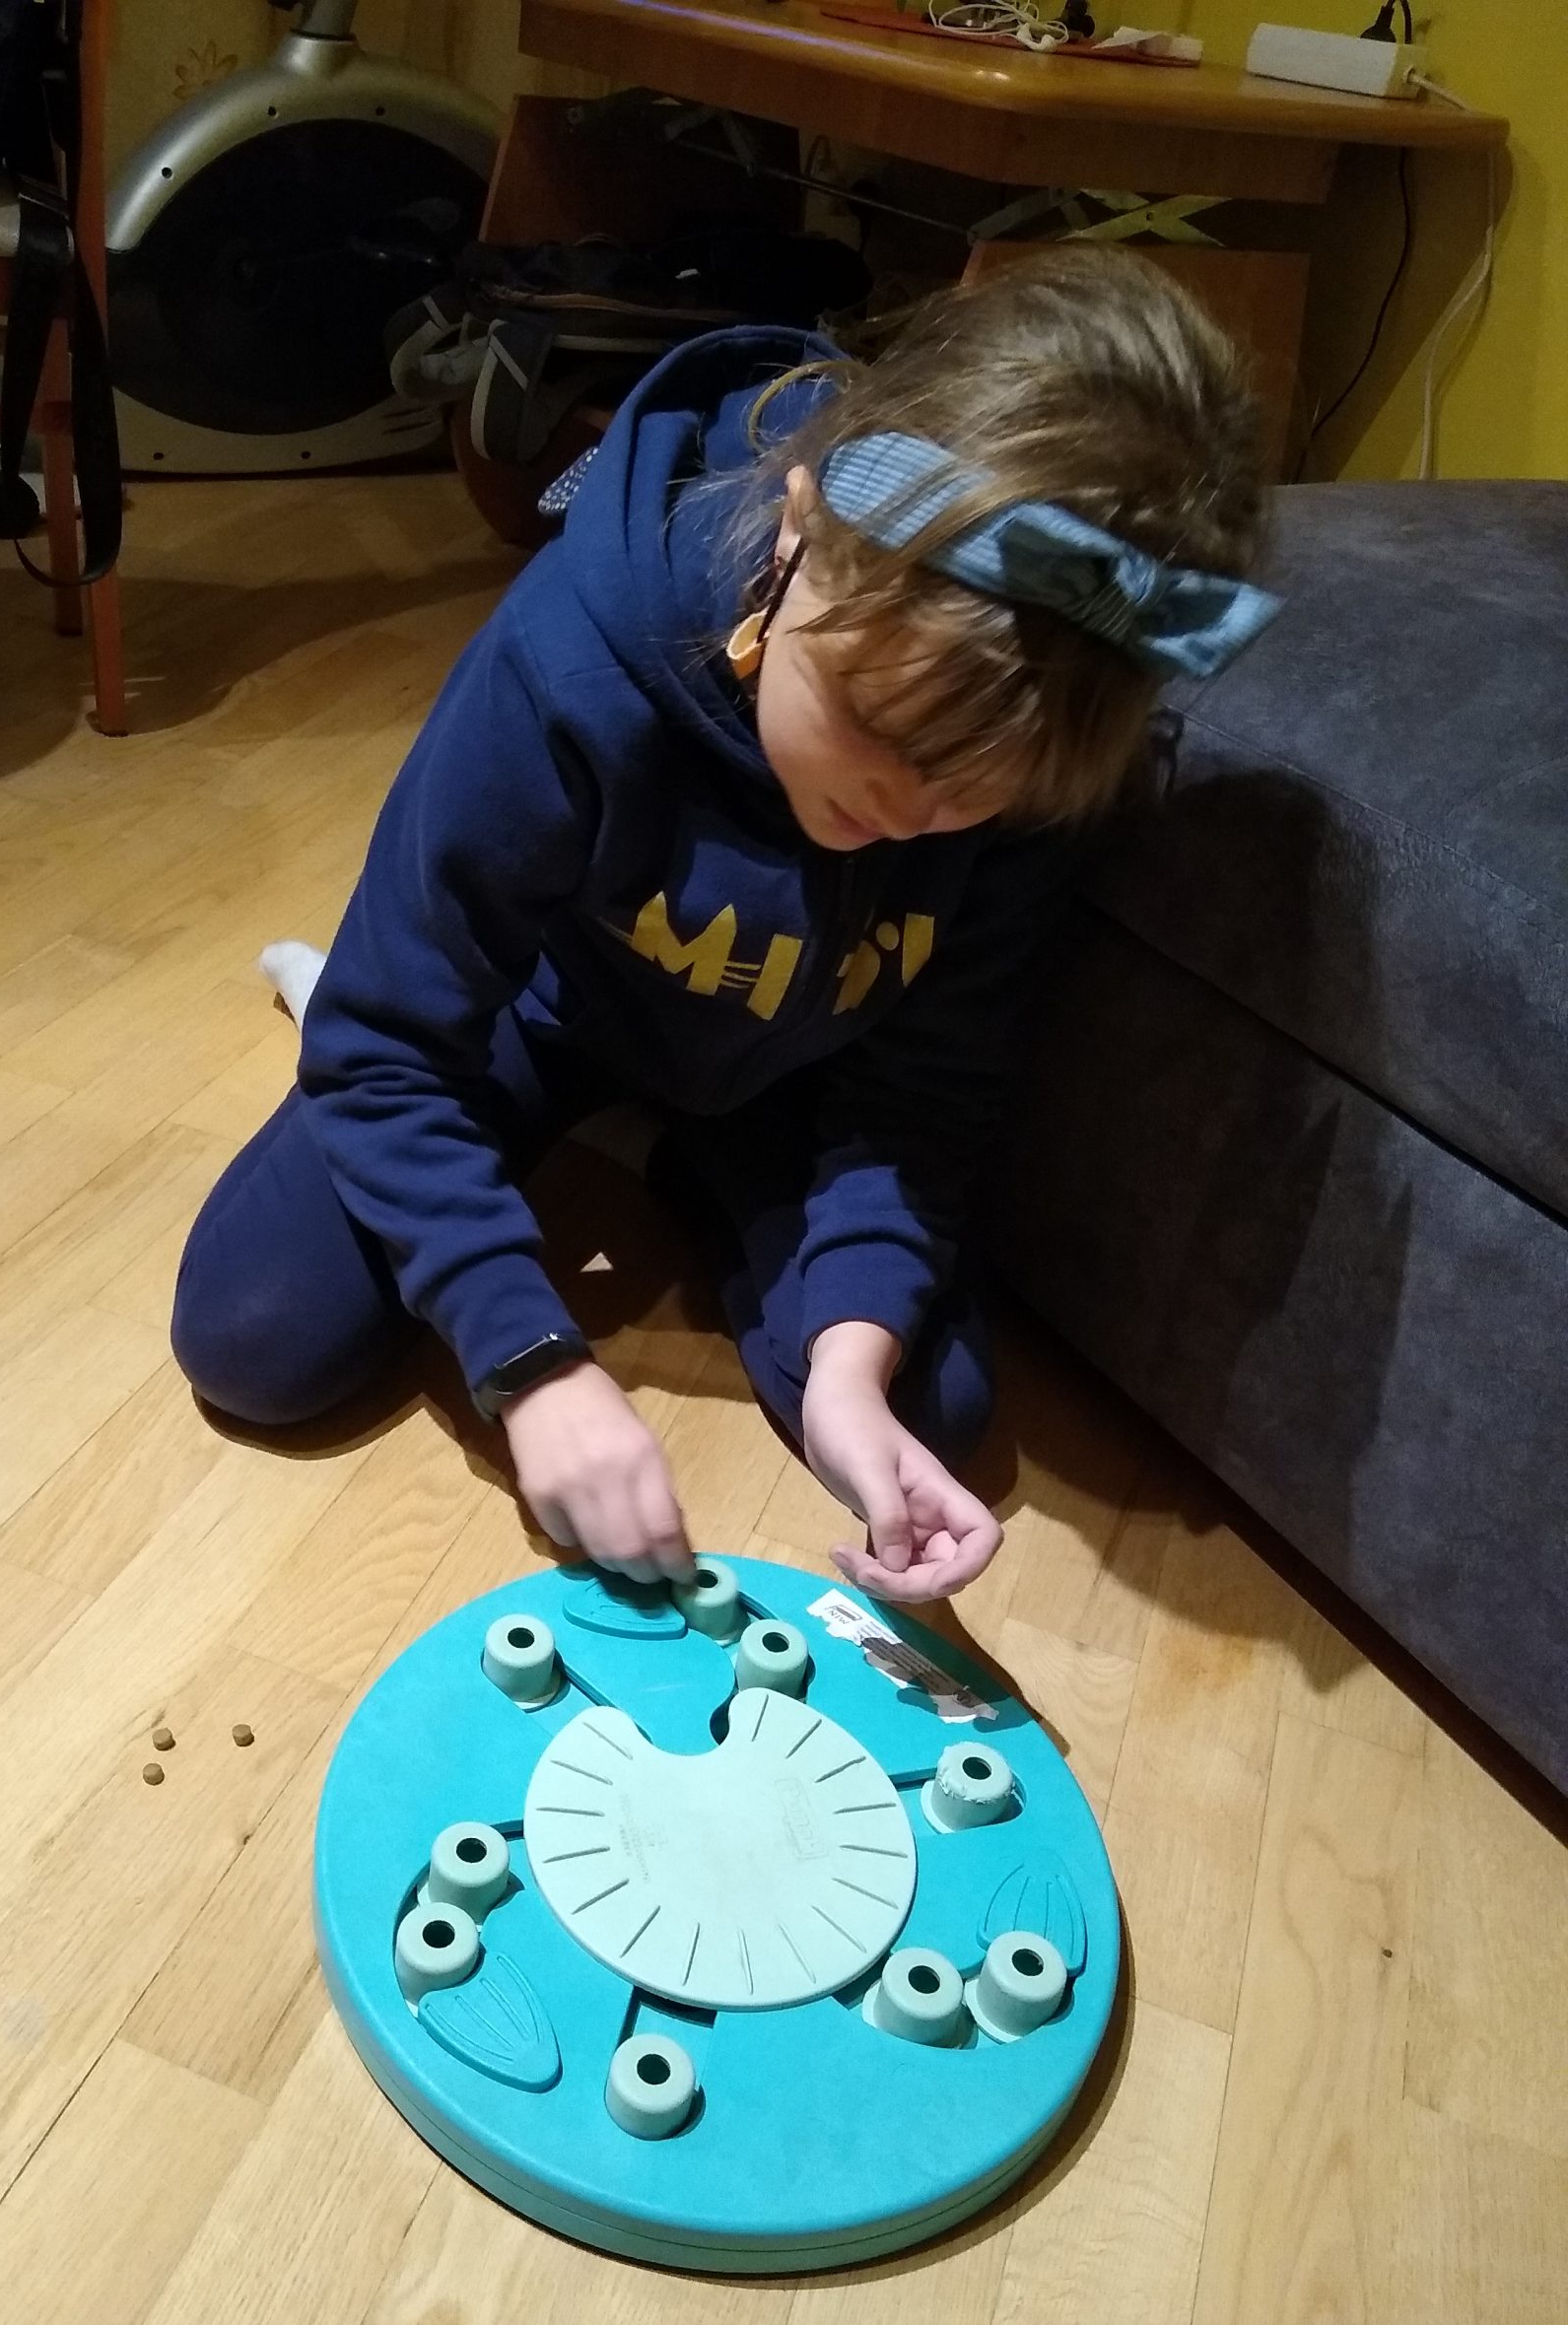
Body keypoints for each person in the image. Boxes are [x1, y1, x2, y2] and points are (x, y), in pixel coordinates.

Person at [172, 247, 1274, 1607]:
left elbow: (929, 1085)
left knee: (930, 1410)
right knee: (254, 1333)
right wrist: (531, 1362)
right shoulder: (573, 661)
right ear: (802, 526)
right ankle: (599, 1116)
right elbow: (391, 1043)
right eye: (874, 724)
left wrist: (853, 1364)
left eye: (972, 797)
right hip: (545, 1011)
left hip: (796, 1072)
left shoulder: (1041, 750)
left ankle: (685, 1159)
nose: (906, 812)